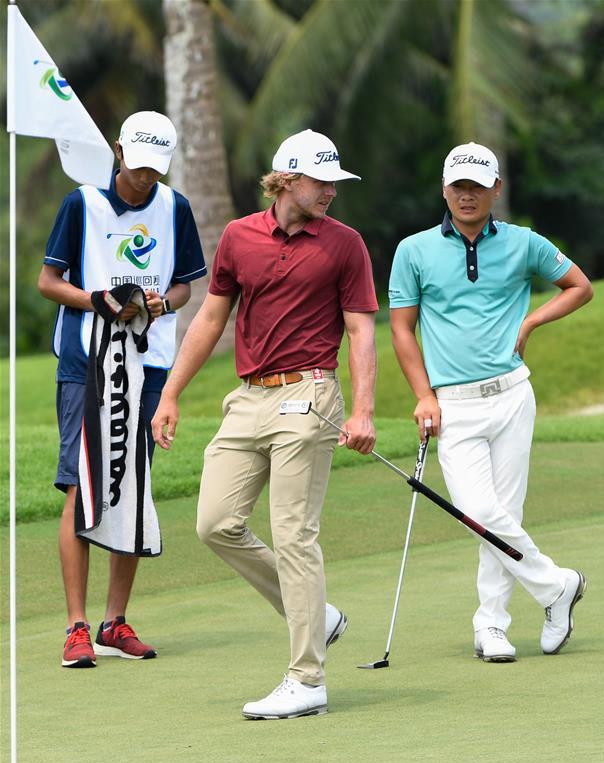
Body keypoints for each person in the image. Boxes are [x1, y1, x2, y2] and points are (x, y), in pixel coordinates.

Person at [152, 129, 378, 718]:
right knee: (215, 523)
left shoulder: (346, 244)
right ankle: (317, 615)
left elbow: (360, 331)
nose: (331, 191)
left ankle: (308, 679)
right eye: (321, 181)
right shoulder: (238, 236)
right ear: (286, 180)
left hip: (311, 392)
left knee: (293, 534)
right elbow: (210, 319)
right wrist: (171, 393)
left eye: (335, 183)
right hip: (248, 398)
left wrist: (362, 409)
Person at [389, 141, 593, 663]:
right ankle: (556, 586)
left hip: (512, 395)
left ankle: (493, 625)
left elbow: (579, 286)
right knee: (479, 512)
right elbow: (402, 330)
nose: (468, 195)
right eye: (459, 186)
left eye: (478, 186)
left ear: (496, 189)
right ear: (444, 189)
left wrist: (532, 320)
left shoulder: (524, 243)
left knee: (505, 513)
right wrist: (423, 395)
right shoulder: (413, 250)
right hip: (453, 405)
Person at [38, 110, 207, 668]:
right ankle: (76, 627)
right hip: (85, 362)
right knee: (79, 484)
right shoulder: (81, 204)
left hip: (149, 364)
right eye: (137, 167)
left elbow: (184, 287)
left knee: (132, 485)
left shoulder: (175, 208)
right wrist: (98, 300)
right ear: (118, 152)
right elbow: (48, 282)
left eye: (155, 169)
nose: (145, 178)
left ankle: (115, 622)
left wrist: (160, 304)